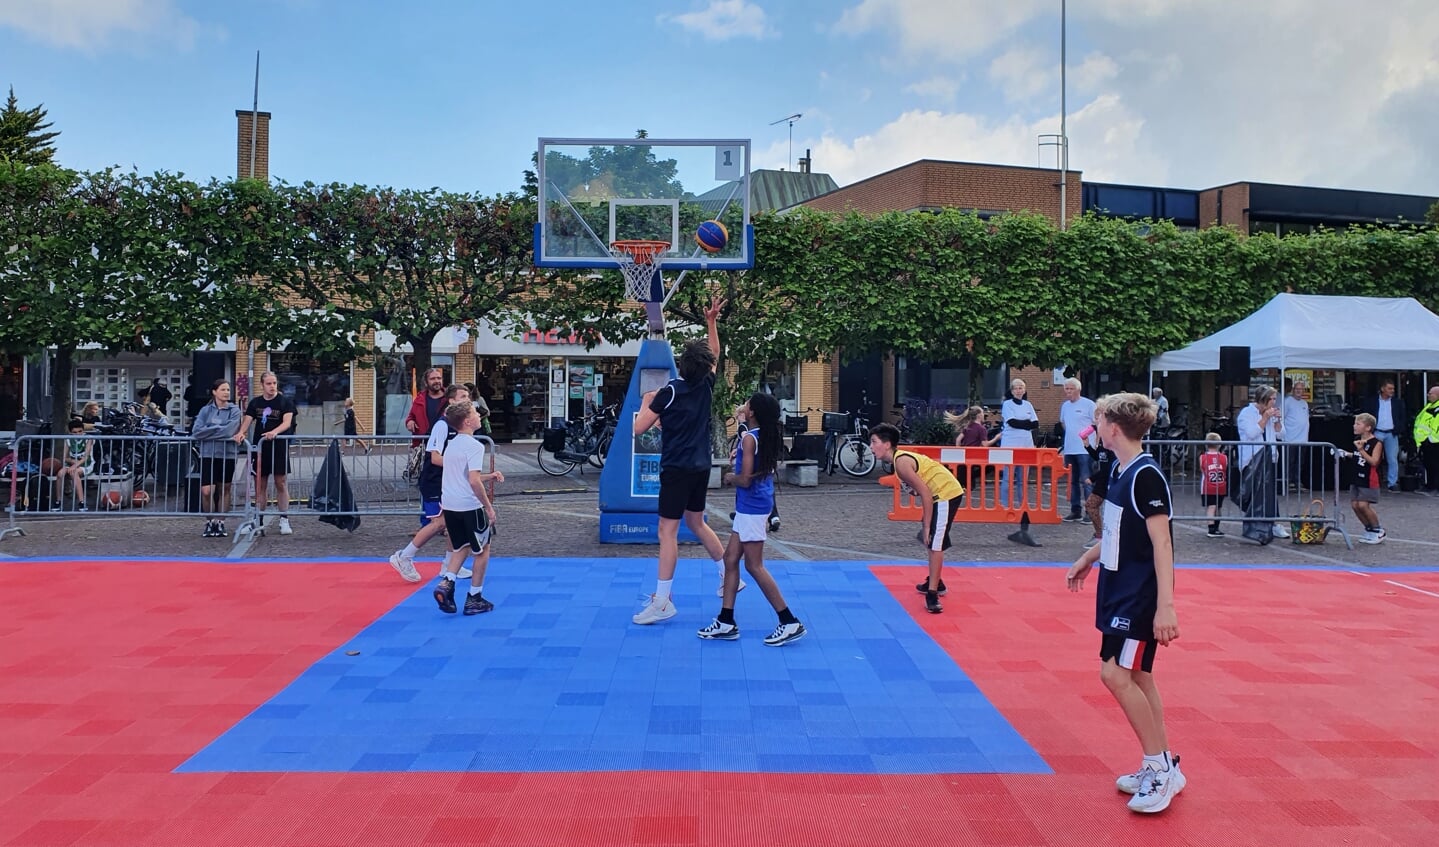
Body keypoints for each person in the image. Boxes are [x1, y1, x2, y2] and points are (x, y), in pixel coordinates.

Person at [1064, 391, 1184, 815]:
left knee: (1114, 675)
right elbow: (1116, 531)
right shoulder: (1118, 468)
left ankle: (1158, 768)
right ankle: (1164, 762)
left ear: (1113, 428)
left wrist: (1165, 606)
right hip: (1117, 586)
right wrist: (1087, 557)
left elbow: (1162, 542)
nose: (1094, 427)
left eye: (1099, 422)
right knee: (1139, 677)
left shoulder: (1146, 476)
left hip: (1137, 596)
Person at [630, 296, 730, 625]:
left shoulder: (668, 392)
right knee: (697, 522)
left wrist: (646, 402)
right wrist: (711, 321)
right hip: (701, 466)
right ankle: (729, 575)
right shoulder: (705, 386)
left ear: (680, 364)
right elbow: (714, 355)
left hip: (676, 469)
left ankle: (662, 601)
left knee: (667, 532)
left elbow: (638, 428)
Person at [697, 392, 805, 645]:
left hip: (751, 506)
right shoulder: (760, 436)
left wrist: (730, 478)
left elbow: (745, 479)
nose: (742, 405)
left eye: (746, 404)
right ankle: (726, 620)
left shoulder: (748, 439)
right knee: (730, 559)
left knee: (753, 566)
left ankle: (788, 620)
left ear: (753, 411)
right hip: (755, 504)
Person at [869, 422, 965, 615]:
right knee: (931, 540)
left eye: (874, 442)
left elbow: (926, 494)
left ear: (887, 444)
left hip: (945, 494)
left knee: (934, 543)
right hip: (942, 492)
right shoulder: (899, 461)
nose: (870, 447)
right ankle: (935, 581)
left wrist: (926, 525)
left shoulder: (901, 463)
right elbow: (922, 489)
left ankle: (933, 594)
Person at [389, 383, 473, 582]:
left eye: (468, 396)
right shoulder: (442, 425)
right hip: (435, 481)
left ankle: (449, 565)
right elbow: (435, 457)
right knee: (439, 522)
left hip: (449, 481)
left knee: (454, 521)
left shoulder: (459, 426)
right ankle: (404, 556)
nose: (467, 400)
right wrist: (459, 465)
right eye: (462, 396)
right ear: (451, 401)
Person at [431, 401, 505, 615]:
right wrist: (488, 507)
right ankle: (475, 596)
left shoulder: (452, 445)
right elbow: (473, 481)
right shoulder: (475, 446)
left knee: (461, 545)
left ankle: (447, 582)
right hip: (468, 505)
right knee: (482, 549)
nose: (479, 416)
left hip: (451, 503)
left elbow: (462, 475)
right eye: (475, 413)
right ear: (467, 421)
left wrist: (489, 476)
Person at [243, 371, 297, 536]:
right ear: (262, 385)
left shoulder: (284, 402)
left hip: (278, 447)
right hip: (260, 448)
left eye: (274, 383)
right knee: (260, 485)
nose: (272, 386)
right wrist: (241, 433)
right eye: (269, 383)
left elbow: (287, 422)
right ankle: (257, 520)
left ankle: (284, 519)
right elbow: (247, 420)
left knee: (280, 483)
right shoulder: (255, 402)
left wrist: (275, 432)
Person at [190, 379, 244, 538]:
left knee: (224, 488)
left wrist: (210, 430)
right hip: (208, 454)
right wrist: (217, 429)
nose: (227, 392)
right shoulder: (205, 411)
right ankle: (209, 521)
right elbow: (197, 432)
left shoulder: (234, 410)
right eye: (223, 389)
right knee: (206, 490)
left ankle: (220, 522)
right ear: (214, 392)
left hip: (227, 454)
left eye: (228, 389)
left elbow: (229, 431)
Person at [1235, 385, 1287, 544]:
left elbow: (1281, 434)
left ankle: (1272, 523)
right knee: (1255, 493)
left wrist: (1277, 421)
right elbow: (1251, 433)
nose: (1274, 402)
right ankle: (1256, 526)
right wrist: (1264, 419)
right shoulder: (1246, 413)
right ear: (1263, 399)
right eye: (1272, 398)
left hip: (1269, 457)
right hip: (1252, 459)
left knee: (1269, 491)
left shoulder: (1271, 413)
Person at [1337, 413, 1385, 544]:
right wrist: (1347, 454)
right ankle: (1368, 528)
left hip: (1369, 478)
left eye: (1358, 424)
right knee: (1355, 505)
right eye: (1355, 423)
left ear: (1368, 427)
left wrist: (1362, 450)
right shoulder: (1358, 441)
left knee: (1364, 505)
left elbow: (1374, 461)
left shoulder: (1376, 443)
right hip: (1356, 476)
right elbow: (1358, 456)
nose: (1355, 426)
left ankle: (1377, 529)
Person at [1059, 378, 1097, 522]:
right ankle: (1075, 510)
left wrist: (1087, 437)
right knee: (1073, 481)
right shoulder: (1065, 406)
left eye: (1070, 389)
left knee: (1086, 480)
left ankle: (1090, 511)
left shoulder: (1088, 404)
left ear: (1078, 389)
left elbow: (1096, 423)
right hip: (1070, 448)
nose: (1068, 392)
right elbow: (1063, 422)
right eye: (1066, 389)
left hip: (1084, 449)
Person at [998, 378, 1038, 508]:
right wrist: (1027, 423)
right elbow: (1011, 422)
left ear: (1024, 390)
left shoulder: (1028, 405)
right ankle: (1005, 504)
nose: (1019, 390)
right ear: (1012, 390)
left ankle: (1023, 504)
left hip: (1026, 445)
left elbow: (1035, 424)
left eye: (1021, 388)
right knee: (1008, 478)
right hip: (1010, 445)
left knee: (1023, 480)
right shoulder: (1007, 404)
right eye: (1016, 388)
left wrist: (1024, 424)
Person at [1362, 379, 1407, 491]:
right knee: (1372, 458)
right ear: (1382, 389)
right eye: (1389, 388)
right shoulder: (1372, 401)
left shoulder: (1397, 402)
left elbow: (1402, 417)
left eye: (1393, 389)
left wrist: (1399, 428)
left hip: (1391, 433)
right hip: (1376, 432)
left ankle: (1392, 483)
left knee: (1392, 459)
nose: (1392, 391)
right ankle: (1370, 480)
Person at [1082, 397, 1114, 550]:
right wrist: (1087, 446)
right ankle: (1101, 534)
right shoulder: (1101, 439)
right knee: (1091, 506)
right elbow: (1099, 457)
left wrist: (1092, 478)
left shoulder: (1109, 439)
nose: (1095, 421)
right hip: (1103, 479)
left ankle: (1101, 535)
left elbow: (1109, 465)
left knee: (1091, 505)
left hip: (1107, 479)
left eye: (1098, 417)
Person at [52, 418, 94, 511]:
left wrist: (75, 464)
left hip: (86, 464)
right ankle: (58, 501)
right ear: (70, 432)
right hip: (71, 464)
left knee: (73, 473)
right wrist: (72, 462)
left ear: (83, 430)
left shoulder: (89, 438)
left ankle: (81, 502)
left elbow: (86, 457)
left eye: (80, 431)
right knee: (60, 474)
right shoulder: (68, 439)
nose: (78, 434)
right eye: (74, 432)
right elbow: (65, 457)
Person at [1281, 380, 1311, 492]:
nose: (1299, 391)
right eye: (1297, 389)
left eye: (1301, 389)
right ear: (1293, 390)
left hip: (1302, 438)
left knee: (1300, 462)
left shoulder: (1304, 403)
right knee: (1290, 461)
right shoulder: (1287, 402)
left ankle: (1298, 482)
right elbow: (1281, 417)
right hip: (1290, 438)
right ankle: (1288, 482)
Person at [405, 368, 447, 445]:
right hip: (424, 443)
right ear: (426, 382)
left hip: (445, 443)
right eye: (432, 379)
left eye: (439, 378)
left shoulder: (450, 398)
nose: (437, 381)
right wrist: (410, 422)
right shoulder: (420, 399)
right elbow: (411, 416)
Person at [1199, 432, 1229, 537]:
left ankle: (1211, 528)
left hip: (1208, 486)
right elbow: (1225, 468)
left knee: (1211, 507)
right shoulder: (1224, 458)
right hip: (1220, 486)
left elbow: (1202, 470)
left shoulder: (1203, 457)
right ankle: (1215, 527)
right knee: (1218, 507)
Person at [1412, 386, 1439, 494]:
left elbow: (1436, 426)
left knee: (1435, 465)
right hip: (1426, 442)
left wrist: (1429, 439)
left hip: (1434, 442)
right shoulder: (1430, 406)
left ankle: (1435, 488)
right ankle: (1430, 486)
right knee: (1429, 465)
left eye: (1430, 393)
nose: (1428, 395)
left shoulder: (1437, 408)